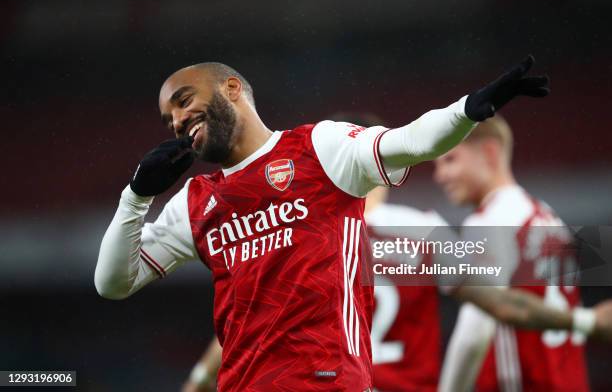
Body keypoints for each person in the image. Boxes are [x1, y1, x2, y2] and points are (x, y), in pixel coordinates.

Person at [94, 56, 559, 391]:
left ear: (232, 88)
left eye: (183, 100)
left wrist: (468, 108)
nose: (175, 120)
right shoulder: (194, 202)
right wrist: (136, 195)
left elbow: (410, 141)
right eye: (167, 117)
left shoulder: (319, 149)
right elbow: (112, 284)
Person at [435, 116, 592, 391]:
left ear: (490, 153)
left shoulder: (487, 222)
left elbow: (476, 328)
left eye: (450, 160)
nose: (440, 176)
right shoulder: (548, 217)